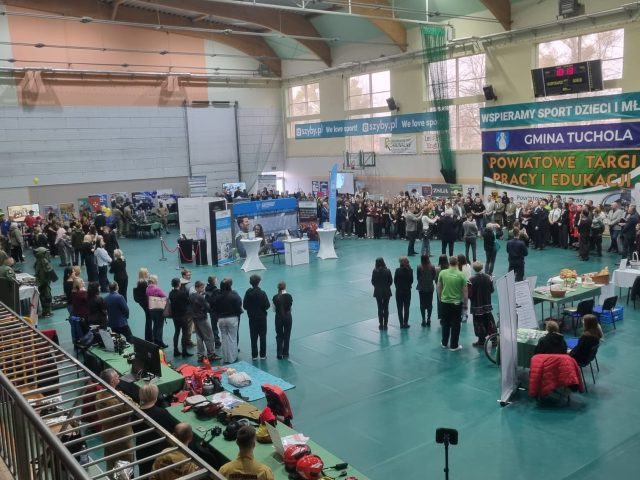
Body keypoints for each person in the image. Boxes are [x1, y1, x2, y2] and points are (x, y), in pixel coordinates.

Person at [134, 383, 177, 476]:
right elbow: (172, 429)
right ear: (155, 396)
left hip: (142, 450)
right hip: (159, 451)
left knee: (144, 474)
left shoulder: (135, 414)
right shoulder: (162, 413)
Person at [96, 368, 134, 471]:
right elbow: (133, 407)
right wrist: (121, 395)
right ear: (112, 381)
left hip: (107, 435)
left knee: (110, 464)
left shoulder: (99, 395)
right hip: (121, 439)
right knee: (126, 469)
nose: (119, 377)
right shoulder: (115, 401)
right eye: (117, 376)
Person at [437, 256, 468, 351]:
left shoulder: (442, 272)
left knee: (445, 323)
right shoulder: (461, 275)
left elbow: (439, 287)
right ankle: (454, 346)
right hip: (456, 304)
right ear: (457, 263)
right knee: (456, 324)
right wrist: (465, 303)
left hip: (444, 302)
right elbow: (465, 291)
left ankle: (444, 343)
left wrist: (440, 298)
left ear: (449, 263)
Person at [189, 280, 221, 362]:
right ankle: (211, 354)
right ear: (196, 288)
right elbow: (207, 307)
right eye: (201, 287)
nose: (203, 289)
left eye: (203, 287)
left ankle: (201, 355)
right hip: (202, 318)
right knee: (209, 336)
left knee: (199, 337)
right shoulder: (200, 297)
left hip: (195, 318)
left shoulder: (191, 296)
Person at [215, 278, 243, 363]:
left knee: (224, 338)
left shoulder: (218, 296)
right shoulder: (234, 295)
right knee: (232, 338)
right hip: (232, 318)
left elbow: (214, 308)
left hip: (221, 319)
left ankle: (226, 358)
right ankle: (232, 358)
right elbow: (239, 305)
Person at [243, 274, 271, 360]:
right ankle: (263, 355)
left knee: (253, 337)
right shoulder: (262, 293)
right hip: (262, 318)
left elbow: (245, 306)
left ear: (250, 282)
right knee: (263, 336)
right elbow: (267, 305)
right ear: (259, 282)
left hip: (252, 318)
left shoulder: (248, 293)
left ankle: (254, 355)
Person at [468, 261, 496, 347]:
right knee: (490, 321)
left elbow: (469, 294)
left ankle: (481, 341)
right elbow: (492, 290)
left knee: (478, 322)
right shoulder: (489, 277)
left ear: (474, 269)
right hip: (487, 304)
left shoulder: (471, 280)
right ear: (482, 267)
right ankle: (494, 339)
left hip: (476, 305)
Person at [169, 278, 192, 357]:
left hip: (175, 317)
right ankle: (184, 351)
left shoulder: (171, 293)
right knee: (185, 333)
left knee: (177, 332)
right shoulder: (182, 293)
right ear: (179, 284)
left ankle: (175, 351)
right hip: (183, 316)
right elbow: (188, 301)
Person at [146, 275, 168, 348]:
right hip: (159, 310)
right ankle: (160, 342)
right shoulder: (157, 289)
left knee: (155, 324)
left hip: (151, 309)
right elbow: (165, 297)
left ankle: (155, 340)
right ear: (155, 280)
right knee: (160, 326)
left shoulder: (147, 288)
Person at [272, 281, 293, 359]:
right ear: (285, 287)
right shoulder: (289, 296)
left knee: (279, 335)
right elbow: (291, 308)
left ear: (278, 288)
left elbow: (273, 309)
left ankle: (279, 353)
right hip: (288, 317)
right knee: (287, 335)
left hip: (278, 317)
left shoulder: (275, 297)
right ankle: (285, 353)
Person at [371, 257, 393, 330]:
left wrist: (377, 287)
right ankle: (385, 325)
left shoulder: (375, 271)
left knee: (380, 308)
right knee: (386, 308)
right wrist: (386, 286)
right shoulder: (388, 270)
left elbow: (373, 281)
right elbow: (390, 281)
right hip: (387, 291)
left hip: (378, 292)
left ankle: (381, 325)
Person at [416, 254, 436, 327]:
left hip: (421, 288)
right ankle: (429, 319)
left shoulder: (419, 267)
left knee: (422, 304)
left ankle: (423, 319)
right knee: (429, 304)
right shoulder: (432, 266)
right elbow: (434, 277)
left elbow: (418, 277)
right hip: (430, 288)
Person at [34, 246, 54, 317]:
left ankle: (47, 311)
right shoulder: (43, 261)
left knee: (45, 296)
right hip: (44, 282)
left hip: (42, 282)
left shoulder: (39, 261)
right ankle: (46, 312)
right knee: (46, 297)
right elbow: (46, 272)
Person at [393, 256, 413, 329]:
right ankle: (406, 323)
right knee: (406, 308)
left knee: (399, 308)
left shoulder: (397, 270)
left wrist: (398, 287)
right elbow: (411, 281)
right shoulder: (410, 270)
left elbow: (395, 281)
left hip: (399, 292)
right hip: (407, 291)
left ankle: (401, 324)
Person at [133, 268, 152, 342]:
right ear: (144, 274)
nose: (149, 273)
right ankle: (149, 337)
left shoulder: (140, 282)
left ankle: (149, 336)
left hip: (143, 302)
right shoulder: (144, 283)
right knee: (149, 319)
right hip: (146, 303)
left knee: (148, 318)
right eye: (147, 272)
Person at [204, 276, 222, 349]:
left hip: (211, 312)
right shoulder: (217, 290)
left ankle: (217, 343)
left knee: (214, 327)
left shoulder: (206, 289)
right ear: (214, 281)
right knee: (223, 327)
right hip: (218, 312)